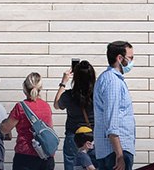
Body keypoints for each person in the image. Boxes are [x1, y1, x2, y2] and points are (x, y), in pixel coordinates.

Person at [94, 40, 137, 170]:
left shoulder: (109, 78)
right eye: (130, 58)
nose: (132, 61)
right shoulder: (113, 81)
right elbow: (112, 120)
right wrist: (119, 154)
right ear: (119, 58)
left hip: (111, 151)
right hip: (115, 151)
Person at [2, 73, 56, 170]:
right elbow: (50, 128)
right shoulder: (46, 106)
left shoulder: (20, 107)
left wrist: (2, 122)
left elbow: (5, 129)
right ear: (40, 88)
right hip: (46, 156)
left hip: (25, 155)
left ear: (24, 87)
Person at [55, 61, 96, 170]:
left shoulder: (69, 95)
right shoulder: (98, 95)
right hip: (93, 138)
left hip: (73, 136)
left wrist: (63, 82)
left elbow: (57, 105)